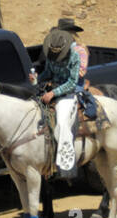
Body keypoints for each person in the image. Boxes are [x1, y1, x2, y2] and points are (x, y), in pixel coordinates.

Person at [32, 25, 82, 177]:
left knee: (62, 123)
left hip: (67, 94)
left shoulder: (74, 56)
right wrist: (36, 79)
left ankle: (66, 166)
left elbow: (73, 82)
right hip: (50, 89)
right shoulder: (50, 52)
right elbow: (48, 72)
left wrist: (54, 93)